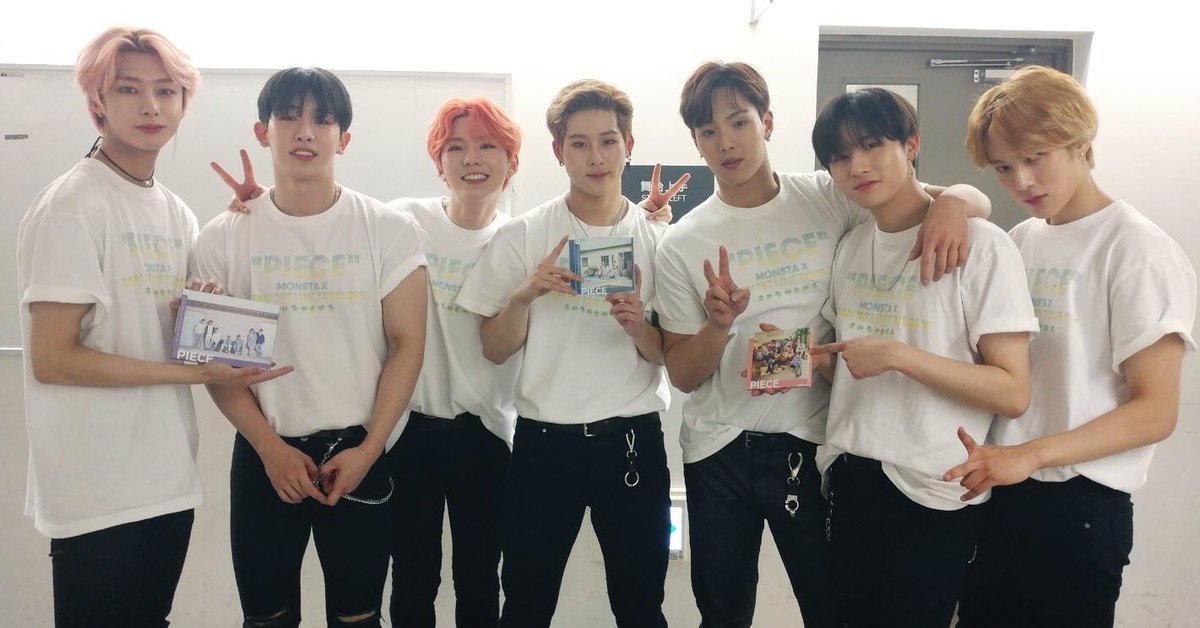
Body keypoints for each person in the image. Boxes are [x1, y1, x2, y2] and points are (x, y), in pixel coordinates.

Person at [653, 61, 989, 628]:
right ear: (696, 141)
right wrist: (718, 325)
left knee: (832, 609)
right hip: (717, 448)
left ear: (767, 122)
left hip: (809, 440)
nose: (726, 142)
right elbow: (683, 376)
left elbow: (936, 197)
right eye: (708, 131)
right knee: (723, 612)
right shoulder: (683, 241)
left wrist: (955, 202)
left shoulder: (828, 196)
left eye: (739, 122)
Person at [16, 26, 288, 628]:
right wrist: (195, 374)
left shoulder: (174, 211)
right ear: (97, 101)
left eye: (166, 91)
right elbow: (53, 358)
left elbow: (170, 330)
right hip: (95, 489)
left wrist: (205, 305)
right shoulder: (72, 205)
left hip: (165, 476)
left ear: (184, 103)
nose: (150, 106)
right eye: (129, 89)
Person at [949, 65, 1197, 628]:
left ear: (1081, 142)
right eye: (1004, 167)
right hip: (1001, 493)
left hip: (1078, 505)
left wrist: (1032, 453)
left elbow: (1156, 411)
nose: (1022, 181)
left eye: (1035, 157)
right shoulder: (1021, 239)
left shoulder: (1137, 250)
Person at [193, 67, 427, 628]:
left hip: (358, 452)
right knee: (267, 618)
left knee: (358, 617)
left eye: (322, 120)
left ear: (343, 139)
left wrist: (370, 449)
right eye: (289, 116)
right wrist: (270, 449)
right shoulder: (222, 237)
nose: (305, 131)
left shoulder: (388, 229)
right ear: (263, 131)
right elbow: (216, 367)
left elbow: (408, 346)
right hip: (265, 454)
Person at [806, 87, 1038, 627]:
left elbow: (1012, 391)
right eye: (840, 155)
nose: (857, 166)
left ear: (910, 145)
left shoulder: (982, 245)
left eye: (872, 145)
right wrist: (818, 362)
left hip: (935, 489)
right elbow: (859, 368)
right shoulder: (851, 246)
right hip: (851, 477)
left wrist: (898, 356)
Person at [455, 79, 677, 628]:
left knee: (641, 605)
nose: (595, 157)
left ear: (628, 144)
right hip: (544, 444)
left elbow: (670, 355)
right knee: (526, 604)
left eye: (608, 140)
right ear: (559, 152)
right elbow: (493, 349)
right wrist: (525, 294)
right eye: (579, 143)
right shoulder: (525, 235)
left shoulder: (658, 242)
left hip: (631, 441)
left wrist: (637, 327)